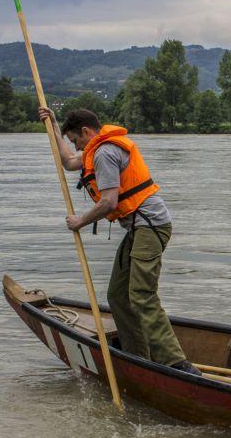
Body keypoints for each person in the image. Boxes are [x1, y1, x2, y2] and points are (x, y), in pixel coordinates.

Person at [39, 107, 201, 376]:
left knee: (140, 295)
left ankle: (176, 363)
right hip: (139, 228)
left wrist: (80, 221)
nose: (75, 146)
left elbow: (108, 202)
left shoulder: (104, 153)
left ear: (86, 132)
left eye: (75, 140)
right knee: (117, 294)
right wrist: (53, 125)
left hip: (151, 226)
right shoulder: (95, 150)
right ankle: (138, 356)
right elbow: (68, 162)